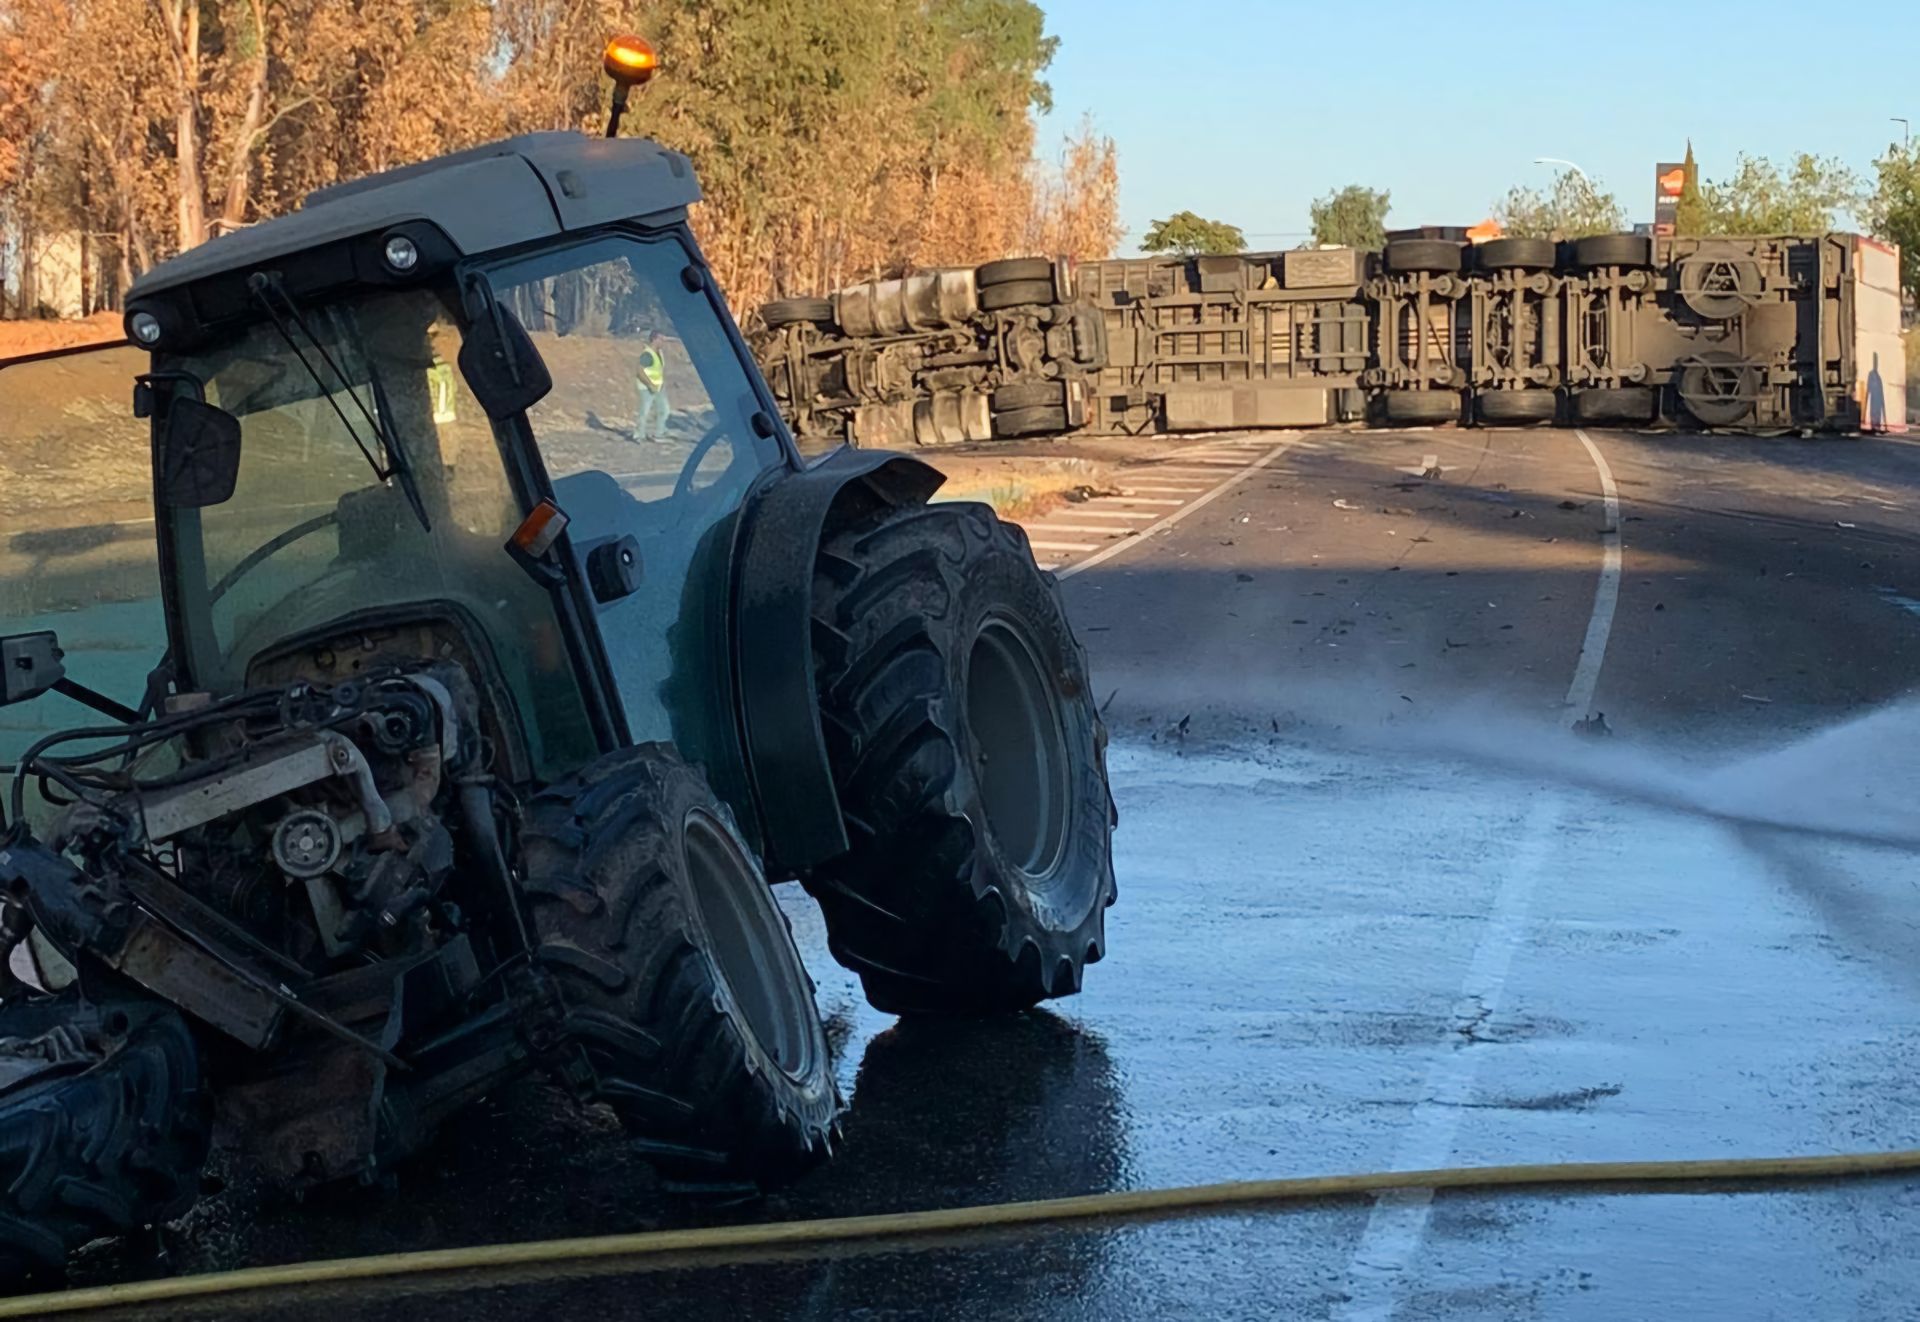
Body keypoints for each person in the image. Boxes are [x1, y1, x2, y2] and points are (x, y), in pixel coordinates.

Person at [634, 330, 670, 442]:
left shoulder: (659, 353)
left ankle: (659, 434)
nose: (663, 342)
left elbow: (658, 370)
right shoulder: (647, 354)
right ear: (654, 339)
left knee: (664, 410)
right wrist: (650, 384)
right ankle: (639, 435)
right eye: (661, 339)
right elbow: (640, 372)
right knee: (644, 412)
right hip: (646, 388)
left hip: (659, 387)